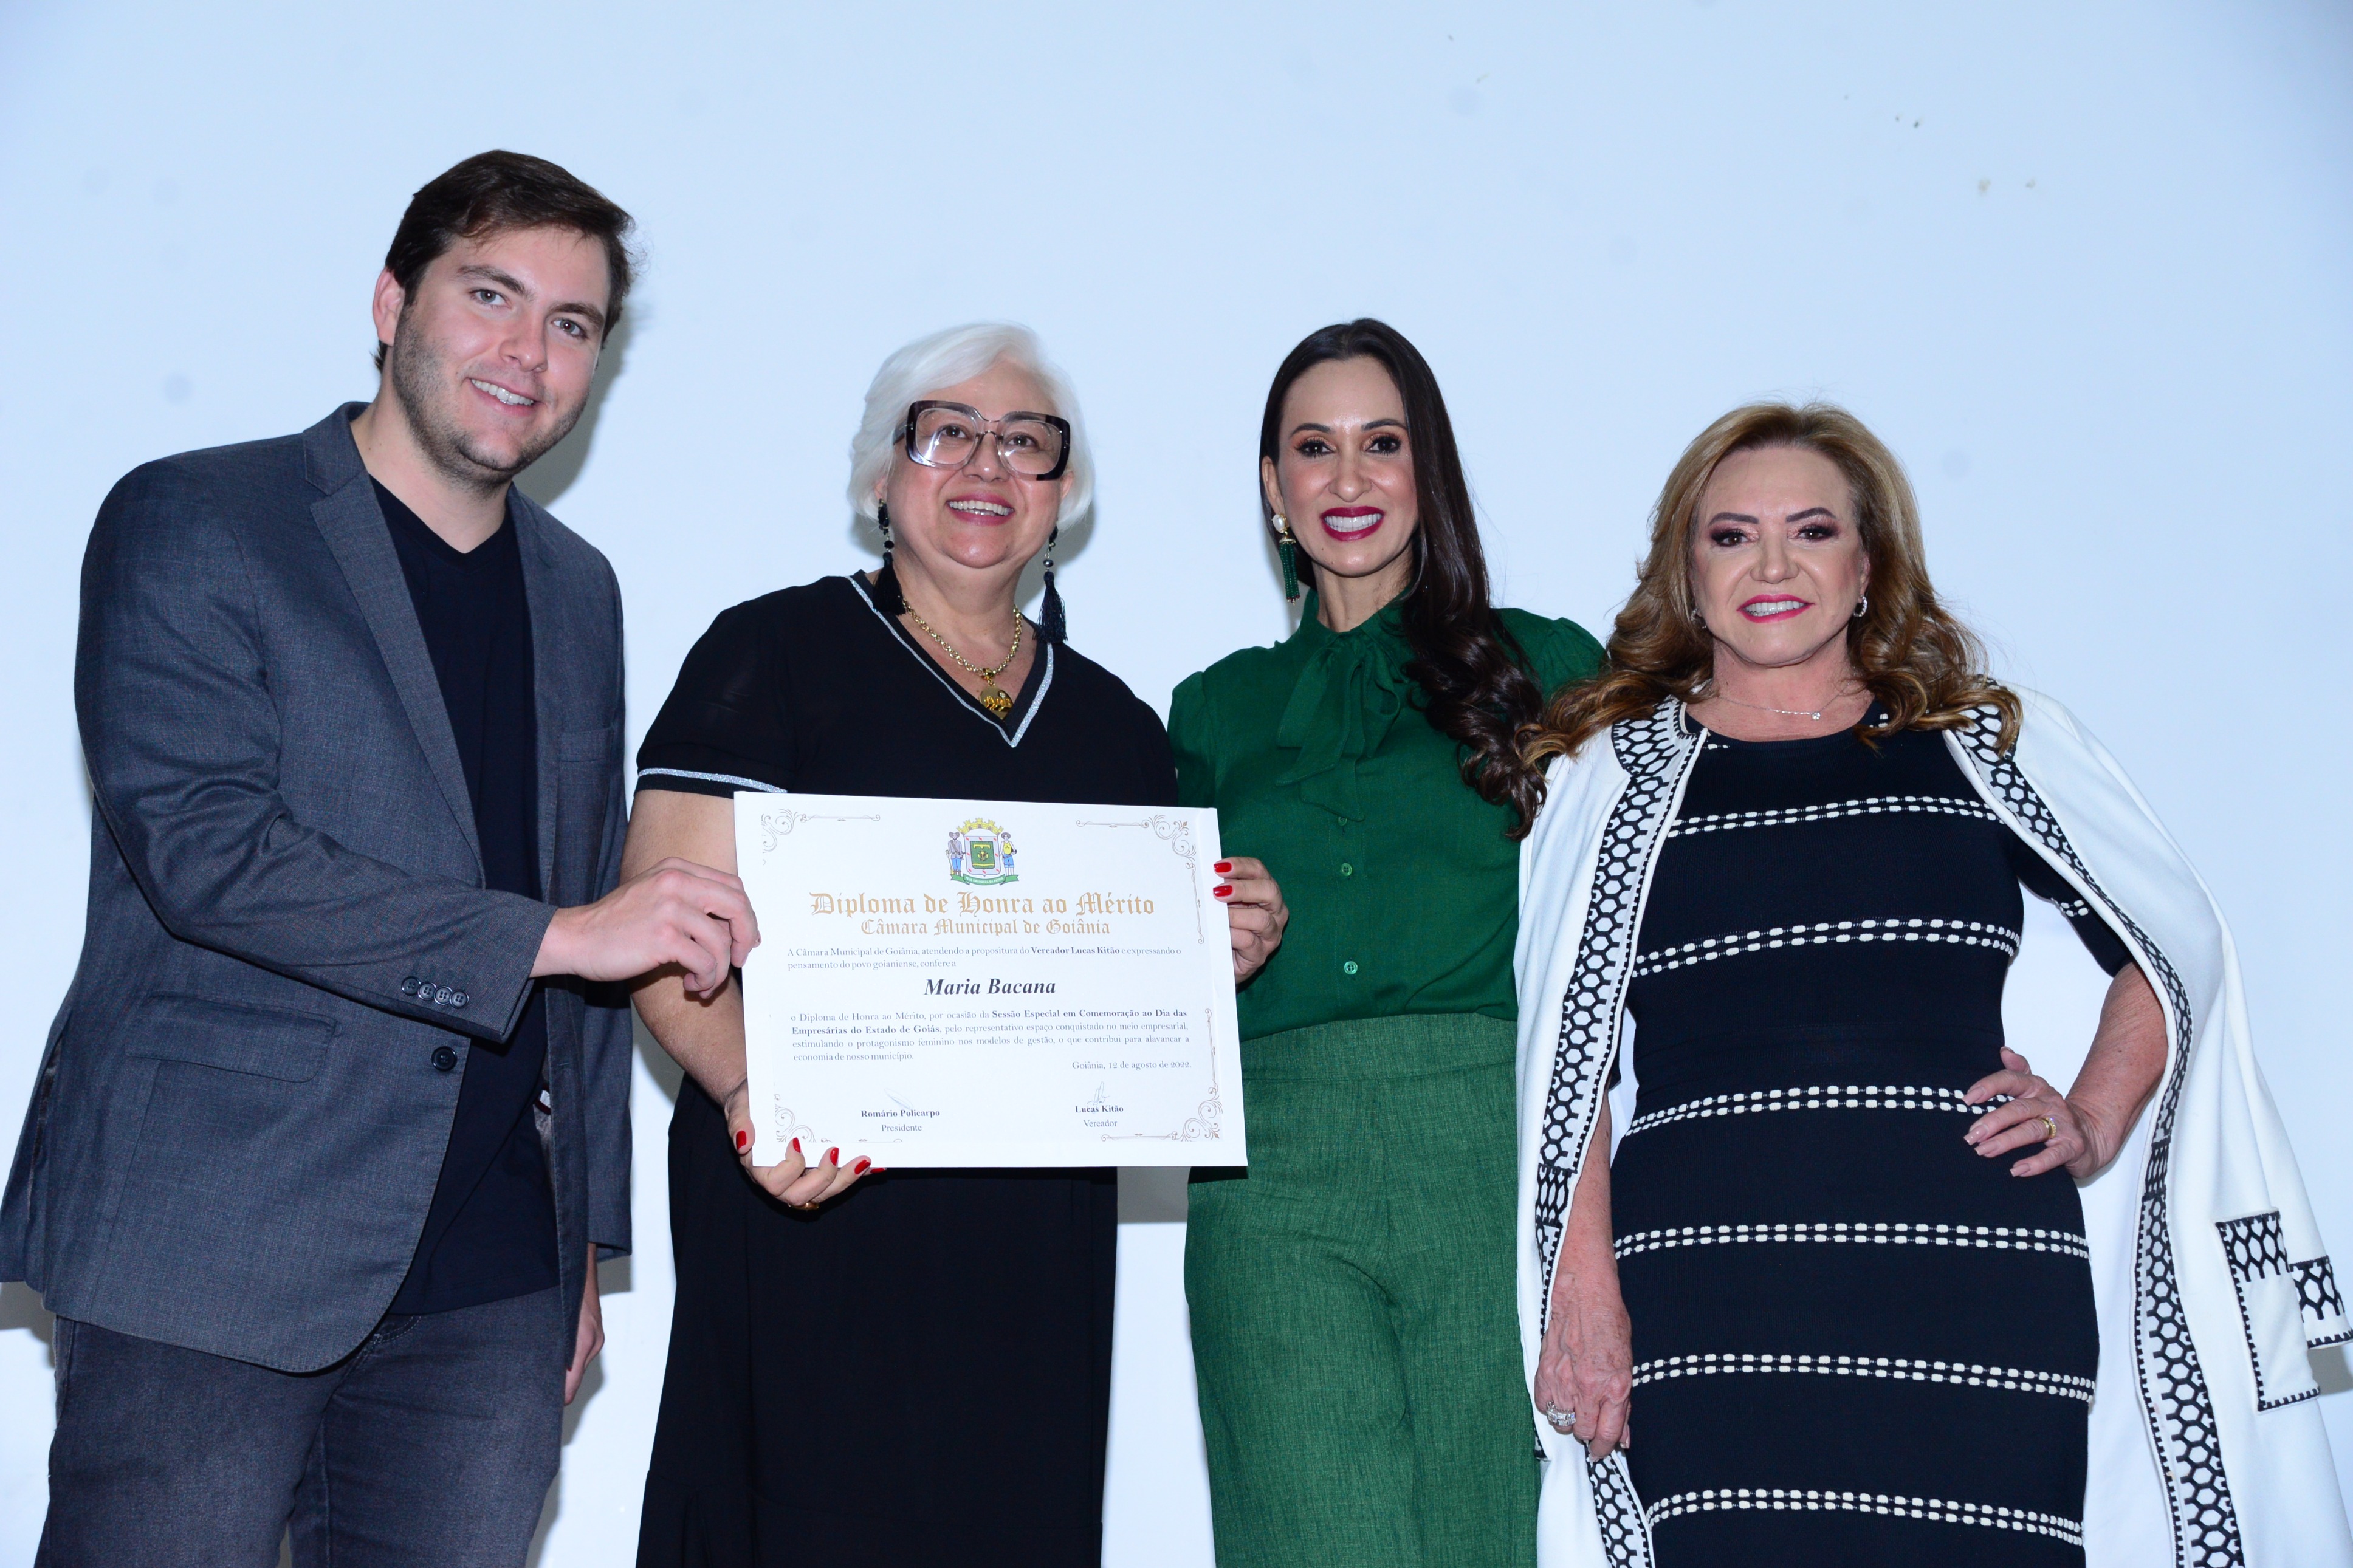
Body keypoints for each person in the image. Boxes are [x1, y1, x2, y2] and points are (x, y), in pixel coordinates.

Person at [1, 151, 762, 1566]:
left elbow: (588, 892)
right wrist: (555, 936)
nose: (527, 352)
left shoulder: (579, 589)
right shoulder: (198, 517)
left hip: (492, 1279)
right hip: (214, 1239)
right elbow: (207, 851)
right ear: (392, 302)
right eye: (491, 296)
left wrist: (577, 1245)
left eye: (573, 324)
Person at [1513, 402, 2352, 1566]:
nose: (1771, 566)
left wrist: (2094, 1117)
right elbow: (1568, 1075)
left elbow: (2176, 950)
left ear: (1867, 566)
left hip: (1972, 1283)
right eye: (1731, 535)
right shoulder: (1610, 781)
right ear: (1686, 573)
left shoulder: (1984, 742)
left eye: (1812, 531)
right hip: (1707, 1294)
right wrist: (1580, 1290)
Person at [625, 321, 1288, 1567]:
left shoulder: (1118, 729)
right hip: (810, 1206)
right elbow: (666, 933)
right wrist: (753, 1090)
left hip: (1026, 1255)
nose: (987, 464)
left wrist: (1212, 950)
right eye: (947, 433)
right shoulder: (769, 654)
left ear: (1063, 494)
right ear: (883, 474)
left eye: (1026, 441)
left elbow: (1126, 987)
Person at [1170, 319, 1604, 1568]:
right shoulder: (1209, 710)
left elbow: (1620, 922)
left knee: (1495, 1534)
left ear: (1429, 471)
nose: (1347, 478)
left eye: (1382, 443)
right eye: (1314, 448)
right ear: (1273, 486)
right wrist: (1197, 945)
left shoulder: (1548, 666)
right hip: (1268, 1182)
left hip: (1491, 1155)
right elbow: (1143, 982)